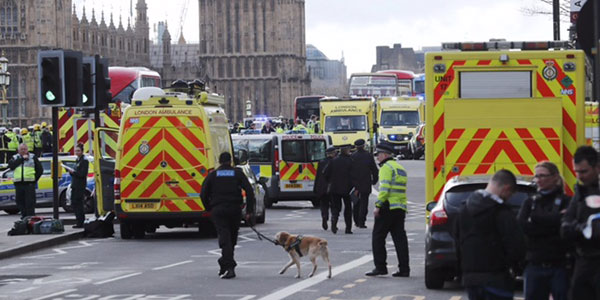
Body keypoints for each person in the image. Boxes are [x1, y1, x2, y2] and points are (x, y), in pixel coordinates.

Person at [454, 169, 526, 300]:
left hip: (471, 279)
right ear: (506, 188)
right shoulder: (502, 212)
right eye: (510, 194)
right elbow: (516, 246)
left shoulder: (464, 209)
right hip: (497, 278)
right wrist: (514, 267)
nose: (508, 198)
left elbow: (458, 242)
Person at [517, 161, 571, 300]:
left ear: (554, 177)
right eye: (537, 176)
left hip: (559, 265)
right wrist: (555, 219)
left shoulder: (567, 201)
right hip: (534, 264)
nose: (538, 180)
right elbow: (523, 226)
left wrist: (537, 221)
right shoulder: (530, 202)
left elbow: (565, 229)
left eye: (543, 176)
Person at [200, 152, 255, 279]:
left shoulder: (213, 175)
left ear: (219, 161)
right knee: (232, 238)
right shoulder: (237, 173)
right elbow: (250, 191)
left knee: (225, 239)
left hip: (218, 210)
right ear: (230, 161)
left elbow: (203, 194)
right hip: (234, 210)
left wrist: (209, 208)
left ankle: (225, 262)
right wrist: (249, 211)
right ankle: (229, 266)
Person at [365, 142, 410, 277]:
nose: (377, 158)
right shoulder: (400, 168)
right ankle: (404, 269)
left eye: (378, 155)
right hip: (400, 208)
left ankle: (380, 267)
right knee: (400, 239)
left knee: (378, 237)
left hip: (387, 206)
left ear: (384, 155)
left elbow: (384, 189)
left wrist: (378, 205)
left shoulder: (386, 168)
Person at [561, 145, 600, 299]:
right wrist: (584, 229)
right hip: (583, 262)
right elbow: (565, 227)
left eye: (584, 171)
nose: (580, 176)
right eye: (577, 172)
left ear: (597, 167)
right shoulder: (580, 194)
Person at [8, 143, 43, 218]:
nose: (23, 151)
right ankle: (24, 216)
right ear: (18, 150)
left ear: (27, 149)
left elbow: (40, 170)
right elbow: (11, 166)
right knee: (19, 202)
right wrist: (22, 159)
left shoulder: (33, 157)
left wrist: (34, 179)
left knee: (30, 202)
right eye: (21, 149)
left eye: (25, 149)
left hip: (29, 184)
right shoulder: (15, 157)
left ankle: (30, 218)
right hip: (19, 184)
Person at [326, 144, 354, 234]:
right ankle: (348, 228)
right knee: (348, 209)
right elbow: (355, 175)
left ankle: (334, 222)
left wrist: (331, 181)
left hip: (335, 188)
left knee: (335, 207)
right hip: (347, 189)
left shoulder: (334, 161)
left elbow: (325, 173)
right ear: (347, 150)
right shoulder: (350, 161)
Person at [351, 139, 379, 229]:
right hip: (365, 182)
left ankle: (356, 221)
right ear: (364, 146)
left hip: (355, 183)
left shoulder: (352, 156)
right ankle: (362, 221)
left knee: (356, 202)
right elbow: (374, 169)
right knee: (364, 202)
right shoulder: (368, 155)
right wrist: (374, 180)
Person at [314, 147, 337, 230]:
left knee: (324, 204)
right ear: (333, 153)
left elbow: (317, 176)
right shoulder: (335, 162)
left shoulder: (321, 162)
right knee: (334, 205)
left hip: (322, 188)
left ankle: (324, 216)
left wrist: (315, 188)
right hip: (333, 187)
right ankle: (334, 219)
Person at [68, 143, 89, 228]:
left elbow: (82, 174)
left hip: (80, 186)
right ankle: (79, 221)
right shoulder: (77, 160)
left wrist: (74, 172)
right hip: (75, 185)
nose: (76, 152)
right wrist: (72, 173)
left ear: (82, 151)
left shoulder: (84, 160)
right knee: (74, 203)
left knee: (79, 204)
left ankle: (81, 222)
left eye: (78, 151)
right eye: (76, 151)